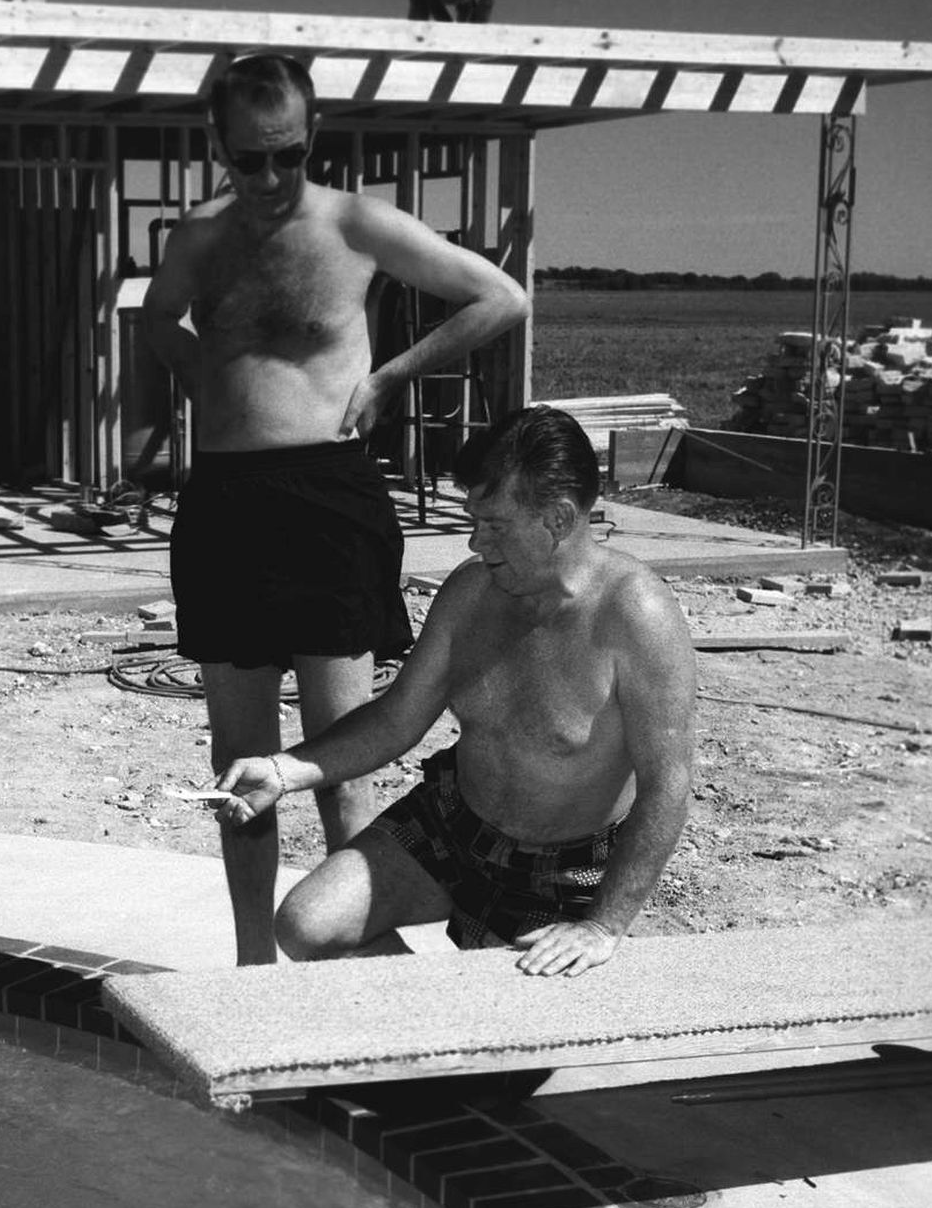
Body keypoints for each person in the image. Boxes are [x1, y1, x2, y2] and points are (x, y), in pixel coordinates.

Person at [142, 53, 530, 966]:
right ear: (218, 148)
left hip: (329, 500)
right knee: (238, 769)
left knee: (340, 757)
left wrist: (394, 373)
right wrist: (196, 369)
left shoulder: (355, 222)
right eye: (249, 161)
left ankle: (363, 971)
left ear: (312, 139)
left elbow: (499, 297)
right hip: (227, 507)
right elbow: (158, 316)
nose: (271, 178)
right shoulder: (198, 237)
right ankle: (251, 969)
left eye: (288, 154)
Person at [216, 406, 697, 977]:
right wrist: (283, 770)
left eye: (494, 525)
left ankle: (463, 1032)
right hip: (452, 824)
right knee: (307, 924)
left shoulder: (636, 615)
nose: (475, 541)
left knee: (512, 1049)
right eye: (474, 519)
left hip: (565, 867)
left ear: (559, 519)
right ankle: (437, 1023)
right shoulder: (472, 593)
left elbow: (669, 785)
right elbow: (397, 720)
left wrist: (602, 926)